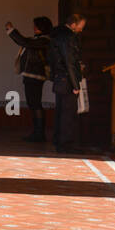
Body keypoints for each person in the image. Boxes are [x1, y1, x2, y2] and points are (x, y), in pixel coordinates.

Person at [5, 16, 53, 141]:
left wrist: (12, 31)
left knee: (35, 104)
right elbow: (25, 41)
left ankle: (39, 134)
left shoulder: (44, 40)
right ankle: (37, 132)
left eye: (36, 26)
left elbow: (25, 42)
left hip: (35, 76)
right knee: (33, 104)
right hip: (31, 76)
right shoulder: (39, 40)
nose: (34, 28)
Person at [48, 13, 88, 153]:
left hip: (59, 78)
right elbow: (69, 62)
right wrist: (76, 85)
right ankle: (66, 144)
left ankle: (59, 141)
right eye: (80, 26)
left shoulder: (57, 34)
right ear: (73, 24)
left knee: (60, 112)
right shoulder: (68, 37)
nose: (81, 30)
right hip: (67, 80)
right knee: (68, 114)